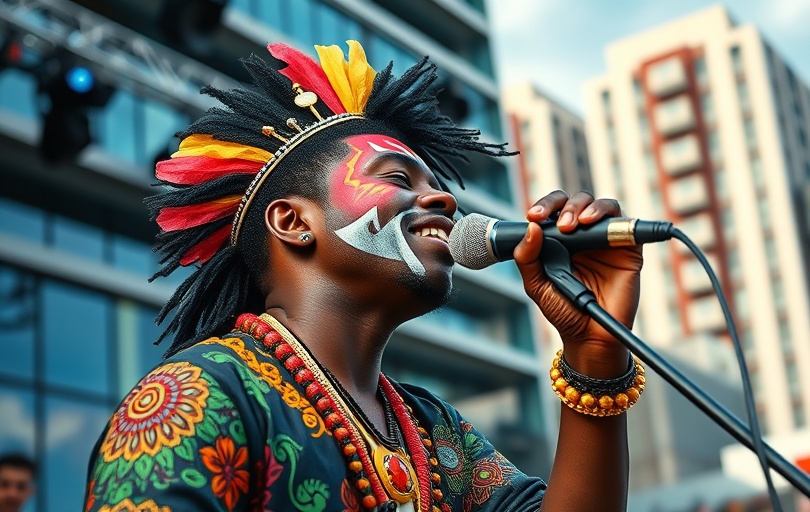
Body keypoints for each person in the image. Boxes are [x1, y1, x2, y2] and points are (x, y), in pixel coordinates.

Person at [84, 40, 643, 512]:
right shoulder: (192, 399)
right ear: (293, 223)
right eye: (397, 177)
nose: (444, 200)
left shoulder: (434, 432)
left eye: (434, 184)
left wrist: (594, 353)